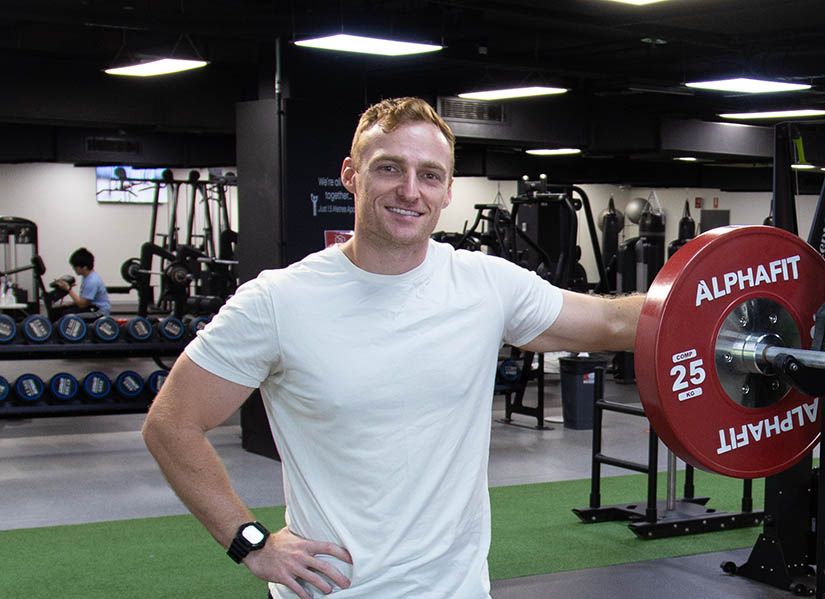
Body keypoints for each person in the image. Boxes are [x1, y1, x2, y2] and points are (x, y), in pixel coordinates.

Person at [142, 97, 645, 599]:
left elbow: (612, 320)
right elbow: (171, 424)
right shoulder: (278, 301)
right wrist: (252, 544)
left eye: (429, 175)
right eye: (389, 168)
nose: (410, 191)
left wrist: (717, 288)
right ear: (351, 174)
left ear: (448, 190)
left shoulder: (485, 287)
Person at [53, 247, 111, 316]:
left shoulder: (92, 281)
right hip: (91, 306)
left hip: (99, 312)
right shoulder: (86, 276)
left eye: (75, 266)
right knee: (58, 311)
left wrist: (68, 289)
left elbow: (82, 305)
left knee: (67, 315)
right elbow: (84, 300)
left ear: (84, 267)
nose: (73, 268)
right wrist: (68, 304)